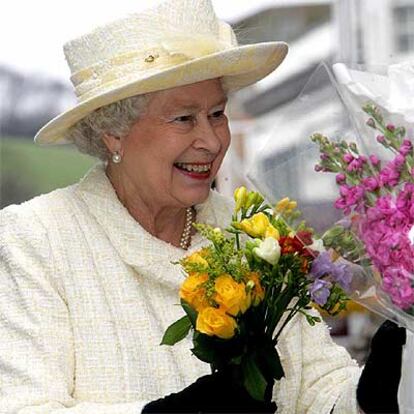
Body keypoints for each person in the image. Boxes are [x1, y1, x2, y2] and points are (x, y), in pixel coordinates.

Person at [0, 0, 405, 413]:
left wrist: (369, 395)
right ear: (112, 133)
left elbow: (316, 388)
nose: (212, 141)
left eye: (216, 113)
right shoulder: (35, 240)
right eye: (183, 119)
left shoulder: (253, 232)